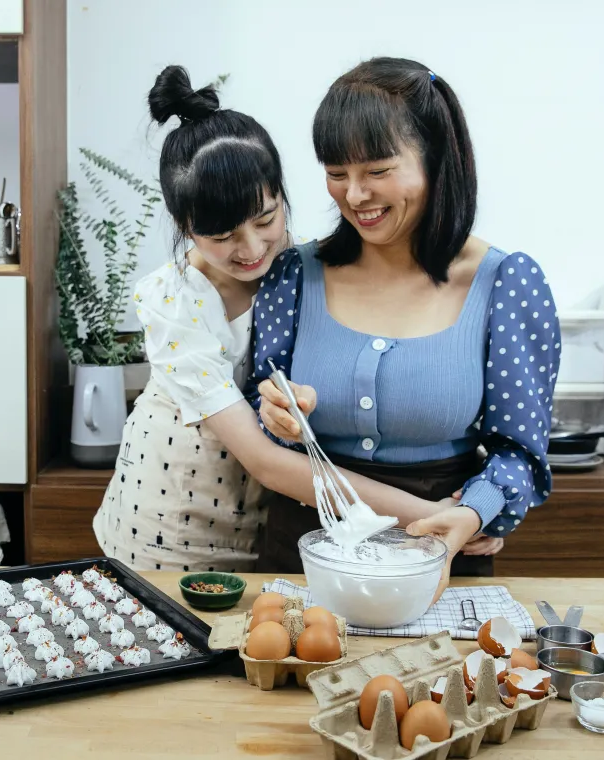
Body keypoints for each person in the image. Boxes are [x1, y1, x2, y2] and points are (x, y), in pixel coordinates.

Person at [93, 65, 459, 573]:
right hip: (166, 527)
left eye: (266, 219)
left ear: (282, 194)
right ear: (185, 227)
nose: (250, 249)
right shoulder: (172, 301)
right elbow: (265, 460)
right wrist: (435, 517)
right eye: (221, 238)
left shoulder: (300, 271)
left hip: (268, 526)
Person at [249, 57, 561, 587]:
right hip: (302, 552)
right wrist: (275, 412)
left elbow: (520, 455)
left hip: (439, 550)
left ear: (436, 159)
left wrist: (475, 512)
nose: (354, 195)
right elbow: (259, 404)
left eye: (377, 171)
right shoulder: (295, 274)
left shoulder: (505, 283)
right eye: (336, 173)